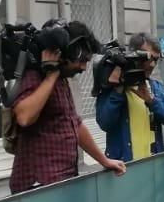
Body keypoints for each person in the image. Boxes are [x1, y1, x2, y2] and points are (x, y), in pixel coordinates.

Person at [9, 21, 127, 193]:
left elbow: (74, 125)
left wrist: (104, 160)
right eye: (82, 60)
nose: (84, 67)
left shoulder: (61, 80)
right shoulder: (36, 75)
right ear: (68, 51)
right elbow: (24, 117)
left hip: (61, 181)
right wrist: (50, 76)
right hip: (38, 186)